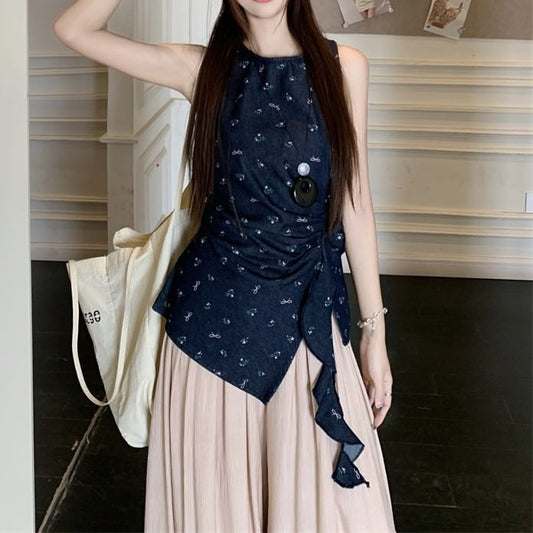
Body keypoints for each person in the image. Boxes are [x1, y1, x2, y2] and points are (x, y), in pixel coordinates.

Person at [54, 0, 396, 531]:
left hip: (307, 322)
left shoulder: (345, 67)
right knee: (217, 509)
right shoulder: (201, 69)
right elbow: (74, 29)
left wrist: (374, 331)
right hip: (211, 329)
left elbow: (356, 203)